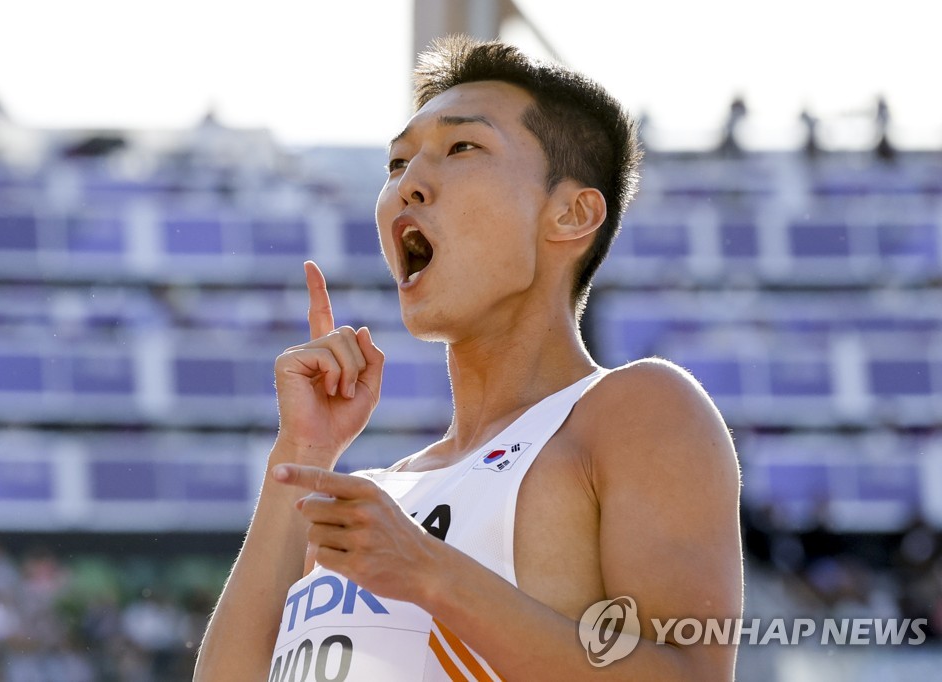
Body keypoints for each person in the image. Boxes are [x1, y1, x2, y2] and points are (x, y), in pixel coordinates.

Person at [195, 35, 742, 681]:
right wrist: (301, 455)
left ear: (571, 213)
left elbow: (691, 674)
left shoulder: (634, 410)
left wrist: (431, 574)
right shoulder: (374, 499)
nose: (408, 186)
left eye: (462, 147)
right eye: (396, 164)